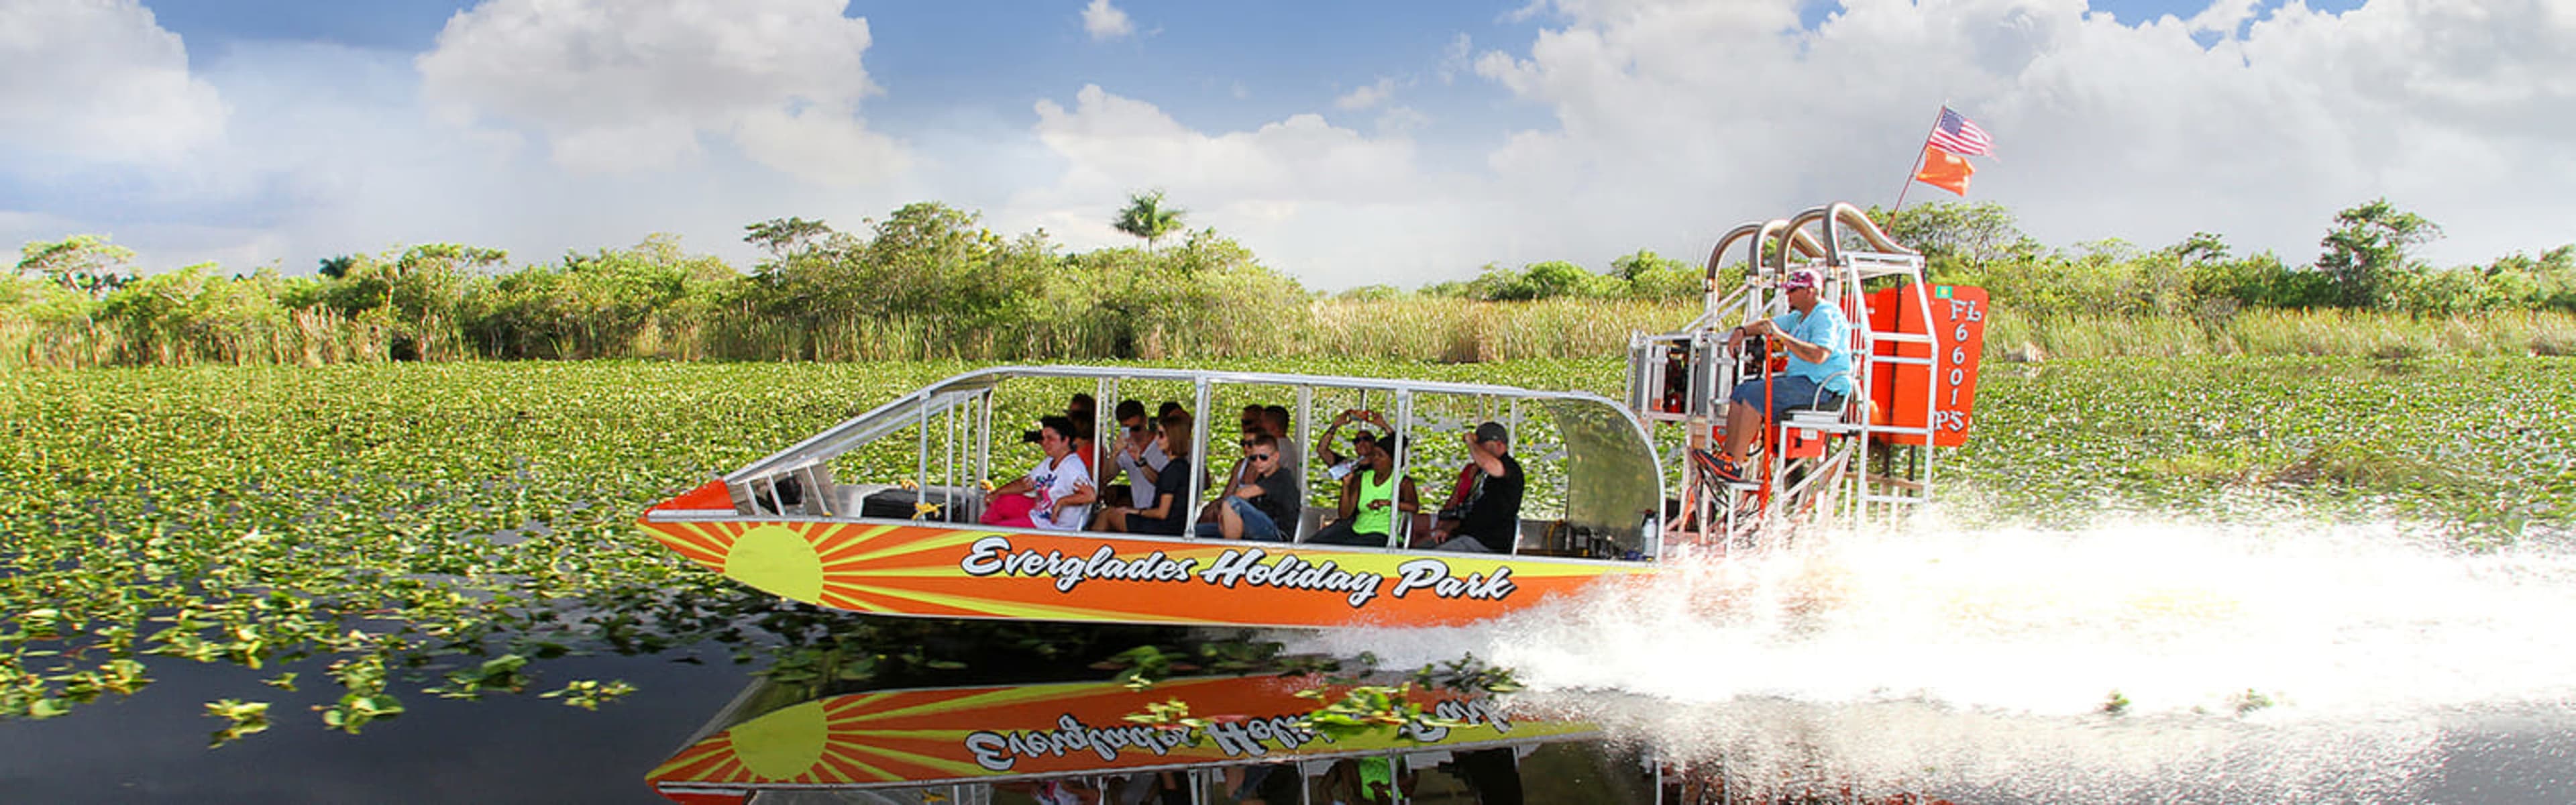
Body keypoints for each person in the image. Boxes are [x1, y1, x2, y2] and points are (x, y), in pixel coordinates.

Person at [1706, 267, 1851, 482]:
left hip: (1822, 388)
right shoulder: (1799, 317)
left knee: (1756, 395)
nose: (1788, 295)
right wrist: (1743, 330)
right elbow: (1769, 325)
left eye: (1793, 290)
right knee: (1740, 392)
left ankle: (1735, 465)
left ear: (1810, 291)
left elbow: (1819, 354)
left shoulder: (1825, 315)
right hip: (1802, 382)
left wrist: (1782, 338)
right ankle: (1727, 457)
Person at [978, 415, 1095, 530]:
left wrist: (1061, 502)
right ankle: (978, 534)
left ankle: (983, 537)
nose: (1045, 443)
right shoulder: (1050, 461)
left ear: (1065, 440)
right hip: (1039, 513)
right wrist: (997, 493)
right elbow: (1026, 484)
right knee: (1002, 502)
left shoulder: (1072, 468)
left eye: (1051, 439)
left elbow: (1089, 496)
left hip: (1053, 526)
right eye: (1043, 438)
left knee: (998, 530)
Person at [1422, 421, 1522, 553]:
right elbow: (1466, 506)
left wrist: (1471, 442)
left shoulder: (1509, 468)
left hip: (1488, 540)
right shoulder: (1481, 473)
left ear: (1499, 445)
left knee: (1433, 556)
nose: (1478, 450)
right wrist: (1446, 528)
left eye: (1482, 446)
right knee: (1420, 549)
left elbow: (1489, 465)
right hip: (1466, 534)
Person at [1311, 433, 1419, 547]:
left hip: (1383, 533)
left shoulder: (1403, 482)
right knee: (1314, 544)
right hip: (1357, 529)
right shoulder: (1362, 478)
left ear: (1392, 460)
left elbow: (1414, 507)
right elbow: (1345, 514)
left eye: (1380, 456)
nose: (1375, 459)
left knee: (1351, 548)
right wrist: (1347, 486)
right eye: (1374, 455)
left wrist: (1388, 503)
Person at [1097, 410, 1193, 535]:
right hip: (1167, 526)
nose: (1157, 438)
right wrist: (1137, 459)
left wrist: (1135, 511)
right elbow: (1106, 477)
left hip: (1164, 529)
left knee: (1107, 514)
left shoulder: (1173, 470)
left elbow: (1162, 513)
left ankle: (1085, 552)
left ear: (1172, 438)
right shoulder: (1179, 466)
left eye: (1161, 435)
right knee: (1110, 513)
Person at [1193, 434, 1297, 541]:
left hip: (1278, 533)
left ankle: (1231, 549)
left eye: (1263, 457)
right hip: (1256, 527)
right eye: (1253, 458)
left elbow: (1241, 495)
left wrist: (1225, 512)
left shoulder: (1282, 477)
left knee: (1233, 502)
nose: (1258, 462)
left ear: (1276, 457)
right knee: (1196, 531)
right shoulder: (1261, 477)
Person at [1099, 398, 1166, 509]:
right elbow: (1106, 478)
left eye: (1136, 428)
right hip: (1140, 511)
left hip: (1161, 512)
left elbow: (1165, 484)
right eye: (1126, 429)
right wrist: (1115, 453)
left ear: (1145, 420)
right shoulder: (1126, 448)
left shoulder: (1162, 444)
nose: (1132, 434)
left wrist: (1140, 461)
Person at [1314, 408, 1391, 481]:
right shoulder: (1347, 466)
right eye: (1357, 441)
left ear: (1374, 442)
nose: (1362, 443)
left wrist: (1384, 425)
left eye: (1366, 439)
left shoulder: (1383, 463)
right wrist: (1335, 425)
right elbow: (1322, 450)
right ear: (1355, 447)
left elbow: (1399, 447)